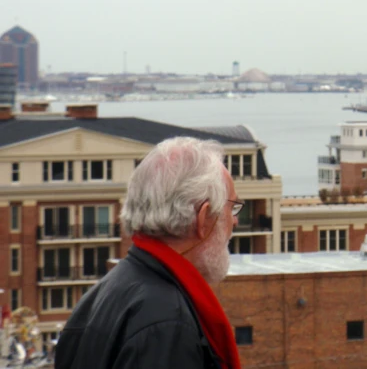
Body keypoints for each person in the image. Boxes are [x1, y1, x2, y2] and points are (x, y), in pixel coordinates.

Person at [55, 137, 242, 369]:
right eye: (231, 207)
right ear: (203, 218)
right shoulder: (168, 322)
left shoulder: (103, 293)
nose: (235, 221)